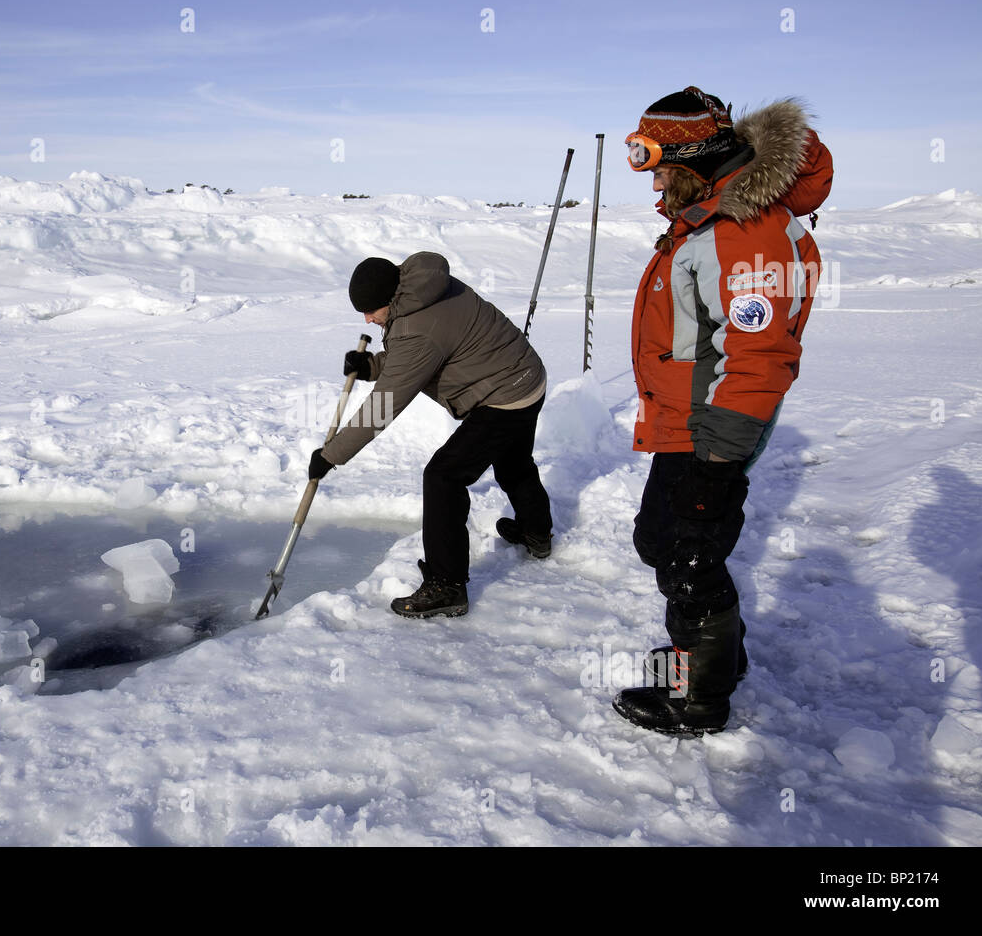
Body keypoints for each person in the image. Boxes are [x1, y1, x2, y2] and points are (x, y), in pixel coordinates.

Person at [613, 87, 833, 736]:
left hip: (711, 424)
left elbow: (758, 356)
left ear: (692, 160)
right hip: (689, 416)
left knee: (686, 554)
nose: (651, 177)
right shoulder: (711, 219)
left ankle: (700, 699)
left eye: (656, 162)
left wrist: (716, 465)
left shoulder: (745, 231)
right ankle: (709, 660)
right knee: (670, 542)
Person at [307, 251, 553, 618]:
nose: (367, 319)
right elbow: (419, 352)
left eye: (371, 310)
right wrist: (373, 366)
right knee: (513, 462)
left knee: (443, 477)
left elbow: (383, 406)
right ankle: (537, 533)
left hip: (503, 396)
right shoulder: (425, 289)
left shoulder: (418, 328)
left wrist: (331, 455)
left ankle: (447, 585)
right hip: (526, 376)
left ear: (390, 299)